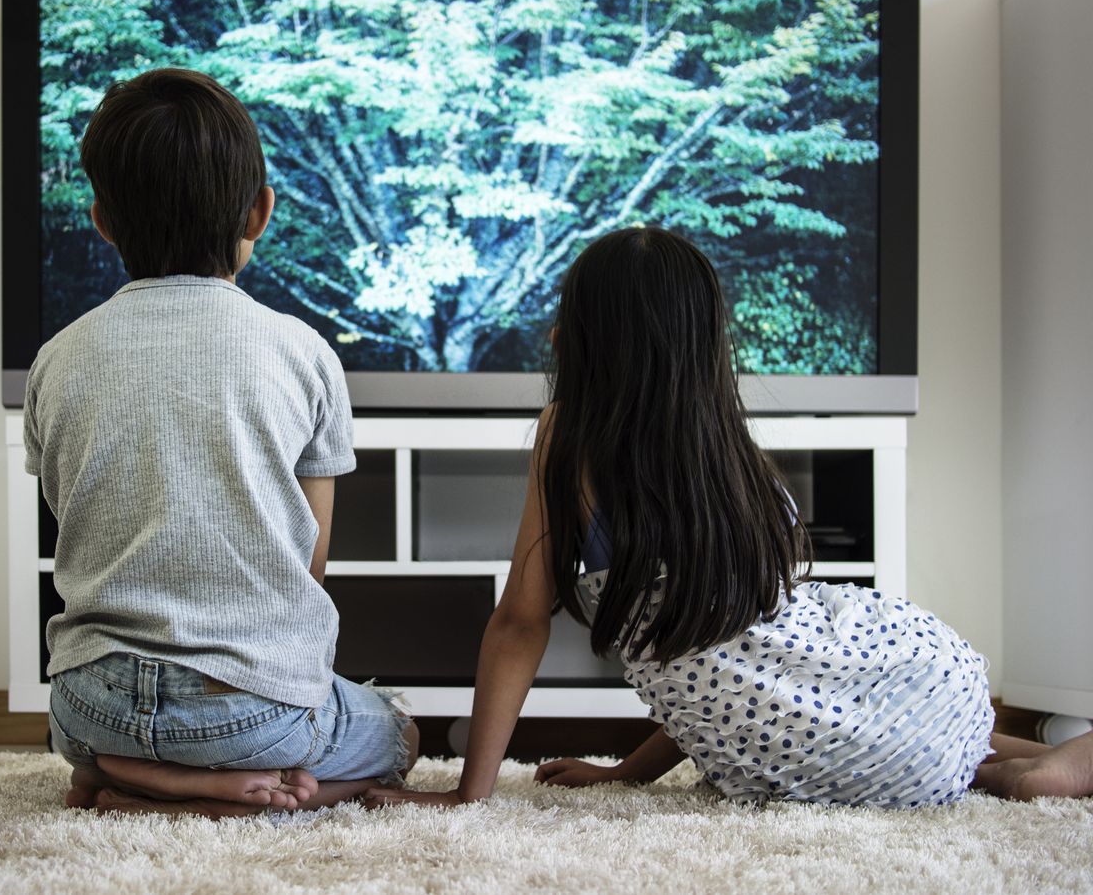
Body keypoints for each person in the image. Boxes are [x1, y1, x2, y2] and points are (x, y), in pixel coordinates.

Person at [348, 226, 1093, 811]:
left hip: (799, 752)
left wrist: (468, 793)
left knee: (877, 741)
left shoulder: (567, 431)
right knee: (887, 719)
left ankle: (1016, 773)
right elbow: (744, 667)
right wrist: (627, 774)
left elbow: (523, 624)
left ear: (580, 339)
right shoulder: (733, 454)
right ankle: (1026, 765)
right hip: (910, 687)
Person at [25, 67, 417, 819]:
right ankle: (241, 795)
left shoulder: (57, 356)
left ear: (103, 220)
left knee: (116, 733)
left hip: (86, 711)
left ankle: (141, 780)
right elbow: (311, 561)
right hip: (253, 715)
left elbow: (69, 523)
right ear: (261, 213)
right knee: (400, 733)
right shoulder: (302, 352)